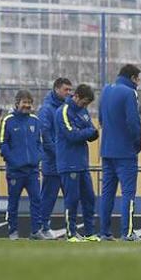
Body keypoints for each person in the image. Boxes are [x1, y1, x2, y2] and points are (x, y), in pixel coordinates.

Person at [99, 64, 141, 241]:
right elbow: (133, 122)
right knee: (128, 193)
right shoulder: (129, 93)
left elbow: (101, 119)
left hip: (107, 150)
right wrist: (137, 144)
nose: (138, 83)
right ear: (132, 78)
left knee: (107, 194)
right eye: (138, 79)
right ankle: (128, 232)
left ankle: (104, 232)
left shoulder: (106, 90)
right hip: (125, 152)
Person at [55, 83, 101, 242]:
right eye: (84, 103)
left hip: (82, 163)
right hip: (68, 163)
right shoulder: (63, 111)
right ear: (76, 97)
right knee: (72, 200)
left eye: (87, 104)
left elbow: (93, 131)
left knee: (89, 198)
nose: (85, 106)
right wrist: (88, 132)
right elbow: (72, 135)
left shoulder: (83, 111)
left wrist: (89, 132)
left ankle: (89, 233)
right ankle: (71, 233)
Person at [0, 90, 44, 240]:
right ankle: (13, 231)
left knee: (36, 200)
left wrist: (37, 158)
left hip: (32, 171)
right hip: (15, 171)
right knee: (13, 202)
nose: (27, 105)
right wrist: (14, 161)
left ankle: (36, 231)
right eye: (24, 102)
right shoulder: (8, 120)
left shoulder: (35, 120)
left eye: (29, 103)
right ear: (17, 103)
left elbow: (40, 143)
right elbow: (3, 145)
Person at [37, 77, 72, 238]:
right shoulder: (46, 109)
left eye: (70, 90)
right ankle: (42, 227)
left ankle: (71, 228)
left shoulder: (68, 108)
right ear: (57, 89)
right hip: (53, 162)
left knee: (71, 197)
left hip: (67, 161)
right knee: (48, 197)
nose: (69, 93)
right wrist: (58, 155)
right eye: (66, 89)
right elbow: (45, 136)